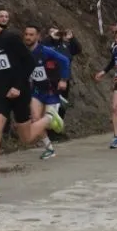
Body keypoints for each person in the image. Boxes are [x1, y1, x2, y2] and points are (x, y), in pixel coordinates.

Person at [0, 3, 64, 198]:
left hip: (20, 92)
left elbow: (29, 63)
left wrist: (17, 85)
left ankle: (49, 118)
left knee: (26, 138)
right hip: (0, 93)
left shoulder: (11, 38)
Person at [22, 25, 71, 160]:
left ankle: (55, 120)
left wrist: (64, 80)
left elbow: (65, 61)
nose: (28, 37)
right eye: (26, 34)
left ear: (38, 36)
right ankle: (49, 148)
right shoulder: (23, 53)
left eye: (31, 35)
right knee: (36, 119)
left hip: (50, 91)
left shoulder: (46, 51)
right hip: (36, 91)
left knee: (48, 121)